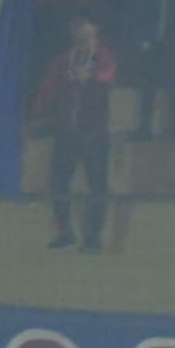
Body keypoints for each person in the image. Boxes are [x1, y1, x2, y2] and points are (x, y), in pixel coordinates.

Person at [33, 14, 115, 253]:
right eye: (79, 35)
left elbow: (107, 74)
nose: (83, 40)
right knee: (59, 183)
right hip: (66, 133)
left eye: (88, 35)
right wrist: (38, 115)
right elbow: (47, 90)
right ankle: (65, 233)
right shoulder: (62, 62)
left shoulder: (104, 57)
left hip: (95, 134)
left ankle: (93, 236)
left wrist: (91, 76)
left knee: (97, 186)